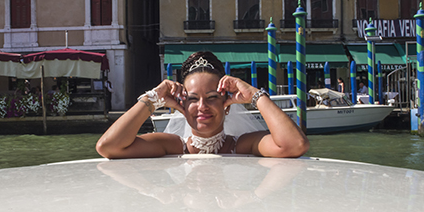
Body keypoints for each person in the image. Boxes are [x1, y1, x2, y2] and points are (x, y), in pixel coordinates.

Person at [96, 51, 309, 158]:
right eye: (192, 98)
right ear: (182, 104)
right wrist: (153, 99)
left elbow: (295, 145)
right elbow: (108, 146)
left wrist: (255, 95)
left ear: (226, 104)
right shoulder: (169, 145)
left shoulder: (244, 144)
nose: (202, 106)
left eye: (212, 97)